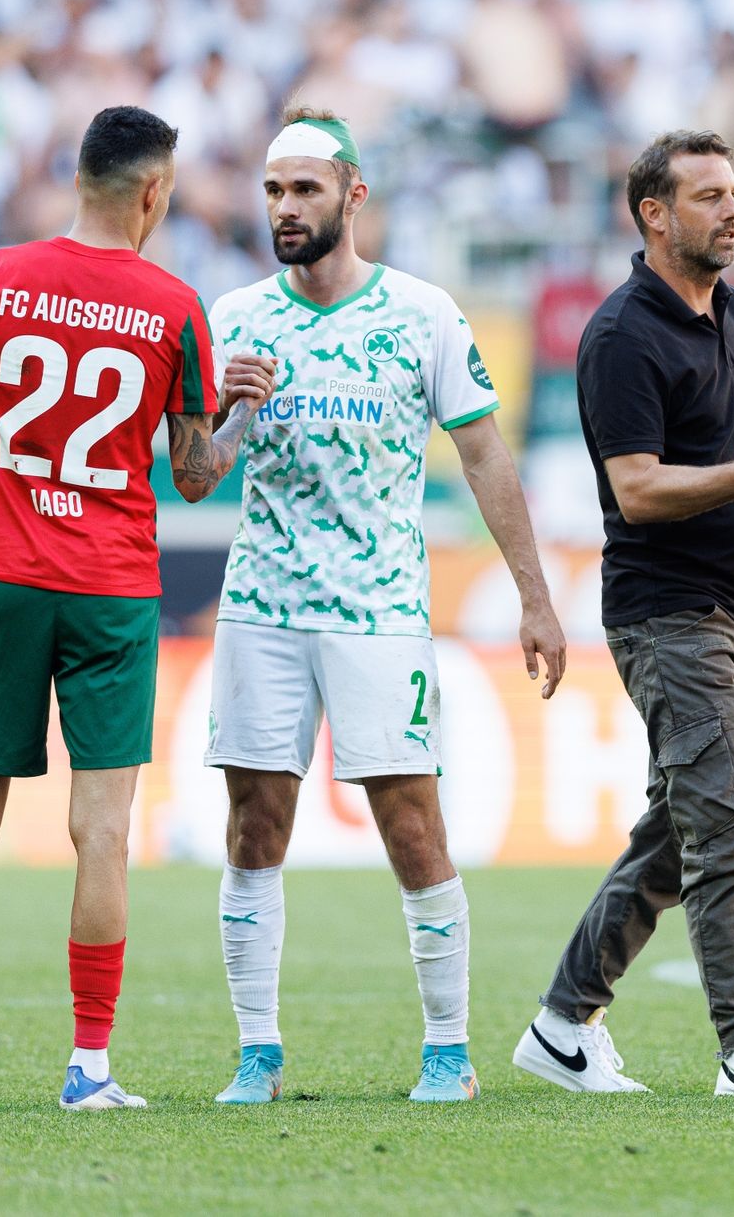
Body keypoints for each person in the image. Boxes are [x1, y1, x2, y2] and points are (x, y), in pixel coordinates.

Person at [0, 106, 276, 1113]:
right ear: (154, 191)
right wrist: (246, 410)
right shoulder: (173, 306)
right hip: (109, 589)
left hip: (0, 576)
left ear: (78, 177)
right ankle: (90, 1068)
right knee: (101, 830)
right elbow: (196, 479)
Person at [204, 105, 567, 1106]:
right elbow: (193, 476)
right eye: (274, 190)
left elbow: (485, 456)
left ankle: (448, 1048)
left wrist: (534, 599)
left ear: (352, 195)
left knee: (411, 826)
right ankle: (257, 1049)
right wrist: (222, 410)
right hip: (262, 608)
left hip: (375, 609)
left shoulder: (422, 314)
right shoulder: (233, 320)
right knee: (252, 826)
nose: (285, 208)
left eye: (304, 190)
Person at [511, 129, 734, 1097]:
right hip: (666, 615)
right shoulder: (621, 334)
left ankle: (561, 1024)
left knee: (677, 835)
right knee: (724, 829)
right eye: (709, 195)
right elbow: (635, 490)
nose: (732, 210)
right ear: (654, 213)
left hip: (726, 614)